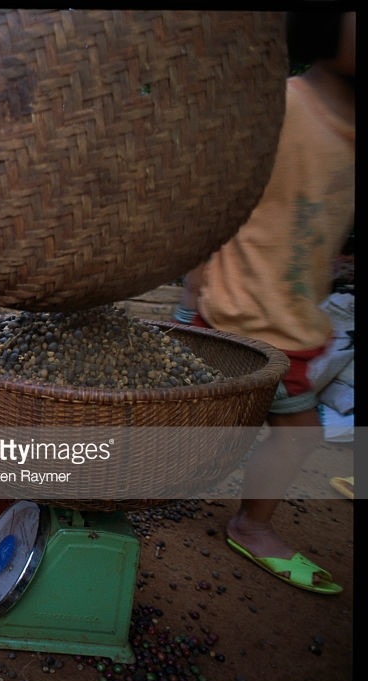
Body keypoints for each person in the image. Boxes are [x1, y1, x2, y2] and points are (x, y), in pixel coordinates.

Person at [174, 11, 354, 595]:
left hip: (296, 324)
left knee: (290, 433)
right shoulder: (278, 107)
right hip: (236, 318)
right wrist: (193, 285)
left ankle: (249, 522)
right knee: (198, 425)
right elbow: (214, 198)